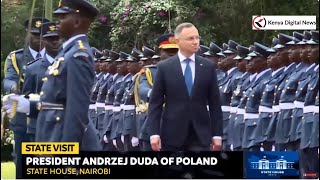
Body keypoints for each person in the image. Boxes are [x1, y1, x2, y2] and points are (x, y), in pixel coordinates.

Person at [3, 0, 101, 151]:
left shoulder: (78, 55)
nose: (57, 22)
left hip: (62, 141)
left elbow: (76, 110)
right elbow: (58, 103)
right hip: (52, 136)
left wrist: (68, 150)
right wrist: (29, 105)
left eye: (62, 17)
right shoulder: (67, 52)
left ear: (76, 21)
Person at [148, 22, 223, 151]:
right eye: (190, 38)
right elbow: (155, 103)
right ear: (178, 41)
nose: (195, 42)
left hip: (200, 134)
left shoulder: (207, 66)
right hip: (172, 133)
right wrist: (154, 133)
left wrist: (217, 134)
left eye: (197, 38)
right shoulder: (165, 67)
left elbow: (215, 103)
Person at [2, 16, 49, 179]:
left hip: (47, 119)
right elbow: (8, 79)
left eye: (42, 35)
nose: (39, 39)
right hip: (22, 120)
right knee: (22, 163)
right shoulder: (17, 57)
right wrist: (13, 87)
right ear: (27, 34)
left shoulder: (55, 58)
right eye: (35, 34)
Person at [22, 22, 61, 142]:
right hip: (38, 127)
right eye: (50, 39)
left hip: (62, 126)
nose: (54, 42)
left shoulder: (70, 64)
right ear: (43, 41)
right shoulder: (33, 68)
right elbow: (26, 98)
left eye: (57, 38)